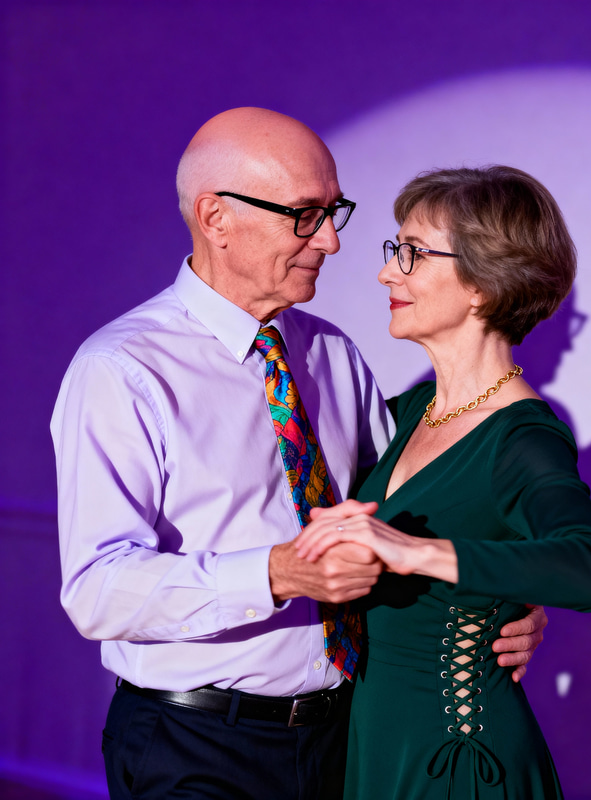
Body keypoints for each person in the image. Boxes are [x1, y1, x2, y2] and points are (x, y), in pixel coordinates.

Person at [50, 108, 544, 800]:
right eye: (305, 215)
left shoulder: (332, 354)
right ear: (216, 218)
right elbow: (97, 590)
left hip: (344, 737)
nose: (333, 242)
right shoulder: (124, 369)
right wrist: (276, 573)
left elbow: (413, 514)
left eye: (334, 210)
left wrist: (504, 607)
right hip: (197, 747)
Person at [296, 166, 591, 799]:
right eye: (395, 252)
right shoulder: (407, 412)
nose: (387, 272)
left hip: (455, 763)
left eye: (411, 254)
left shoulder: (521, 436)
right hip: (374, 749)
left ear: (480, 284)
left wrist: (418, 553)